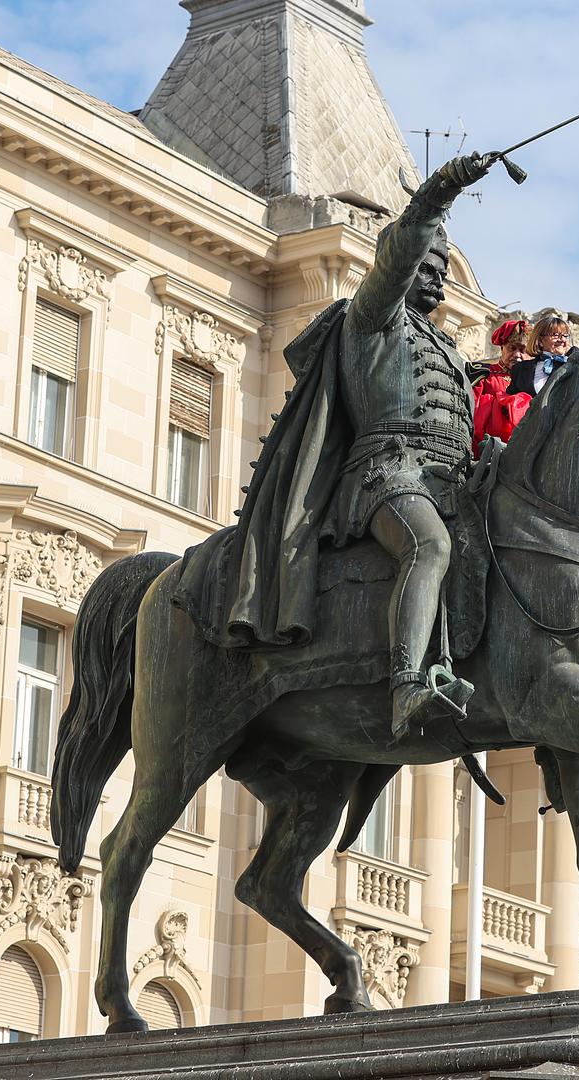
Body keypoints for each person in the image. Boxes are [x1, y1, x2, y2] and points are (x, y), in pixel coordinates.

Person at [213, 154, 492, 742]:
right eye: (426, 266)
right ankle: (407, 685)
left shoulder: (448, 351)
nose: (437, 278)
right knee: (429, 545)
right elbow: (398, 258)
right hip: (386, 472)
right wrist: (440, 192)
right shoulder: (374, 318)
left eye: (443, 269)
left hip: (448, 480)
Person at [470, 318, 530, 454]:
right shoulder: (483, 373)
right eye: (512, 348)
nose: (517, 354)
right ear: (502, 348)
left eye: (522, 350)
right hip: (484, 446)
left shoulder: (532, 380)